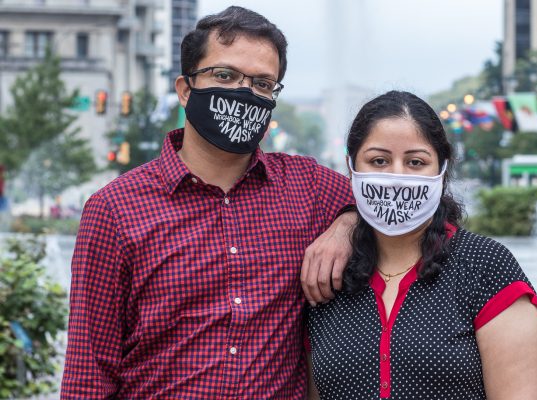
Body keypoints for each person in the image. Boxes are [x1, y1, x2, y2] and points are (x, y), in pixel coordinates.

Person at [61, 6, 355, 399]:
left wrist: (346, 226)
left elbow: (397, 206)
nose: (244, 92)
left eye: (263, 84)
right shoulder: (115, 209)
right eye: (225, 75)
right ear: (185, 89)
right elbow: (89, 372)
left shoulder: (309, 188)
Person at [307, 91, 537, 399]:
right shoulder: (330, 276)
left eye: (415, 162)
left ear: (441, 170)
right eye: (378, 160)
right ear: (351, 166)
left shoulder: (485, 266)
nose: (396, 176)